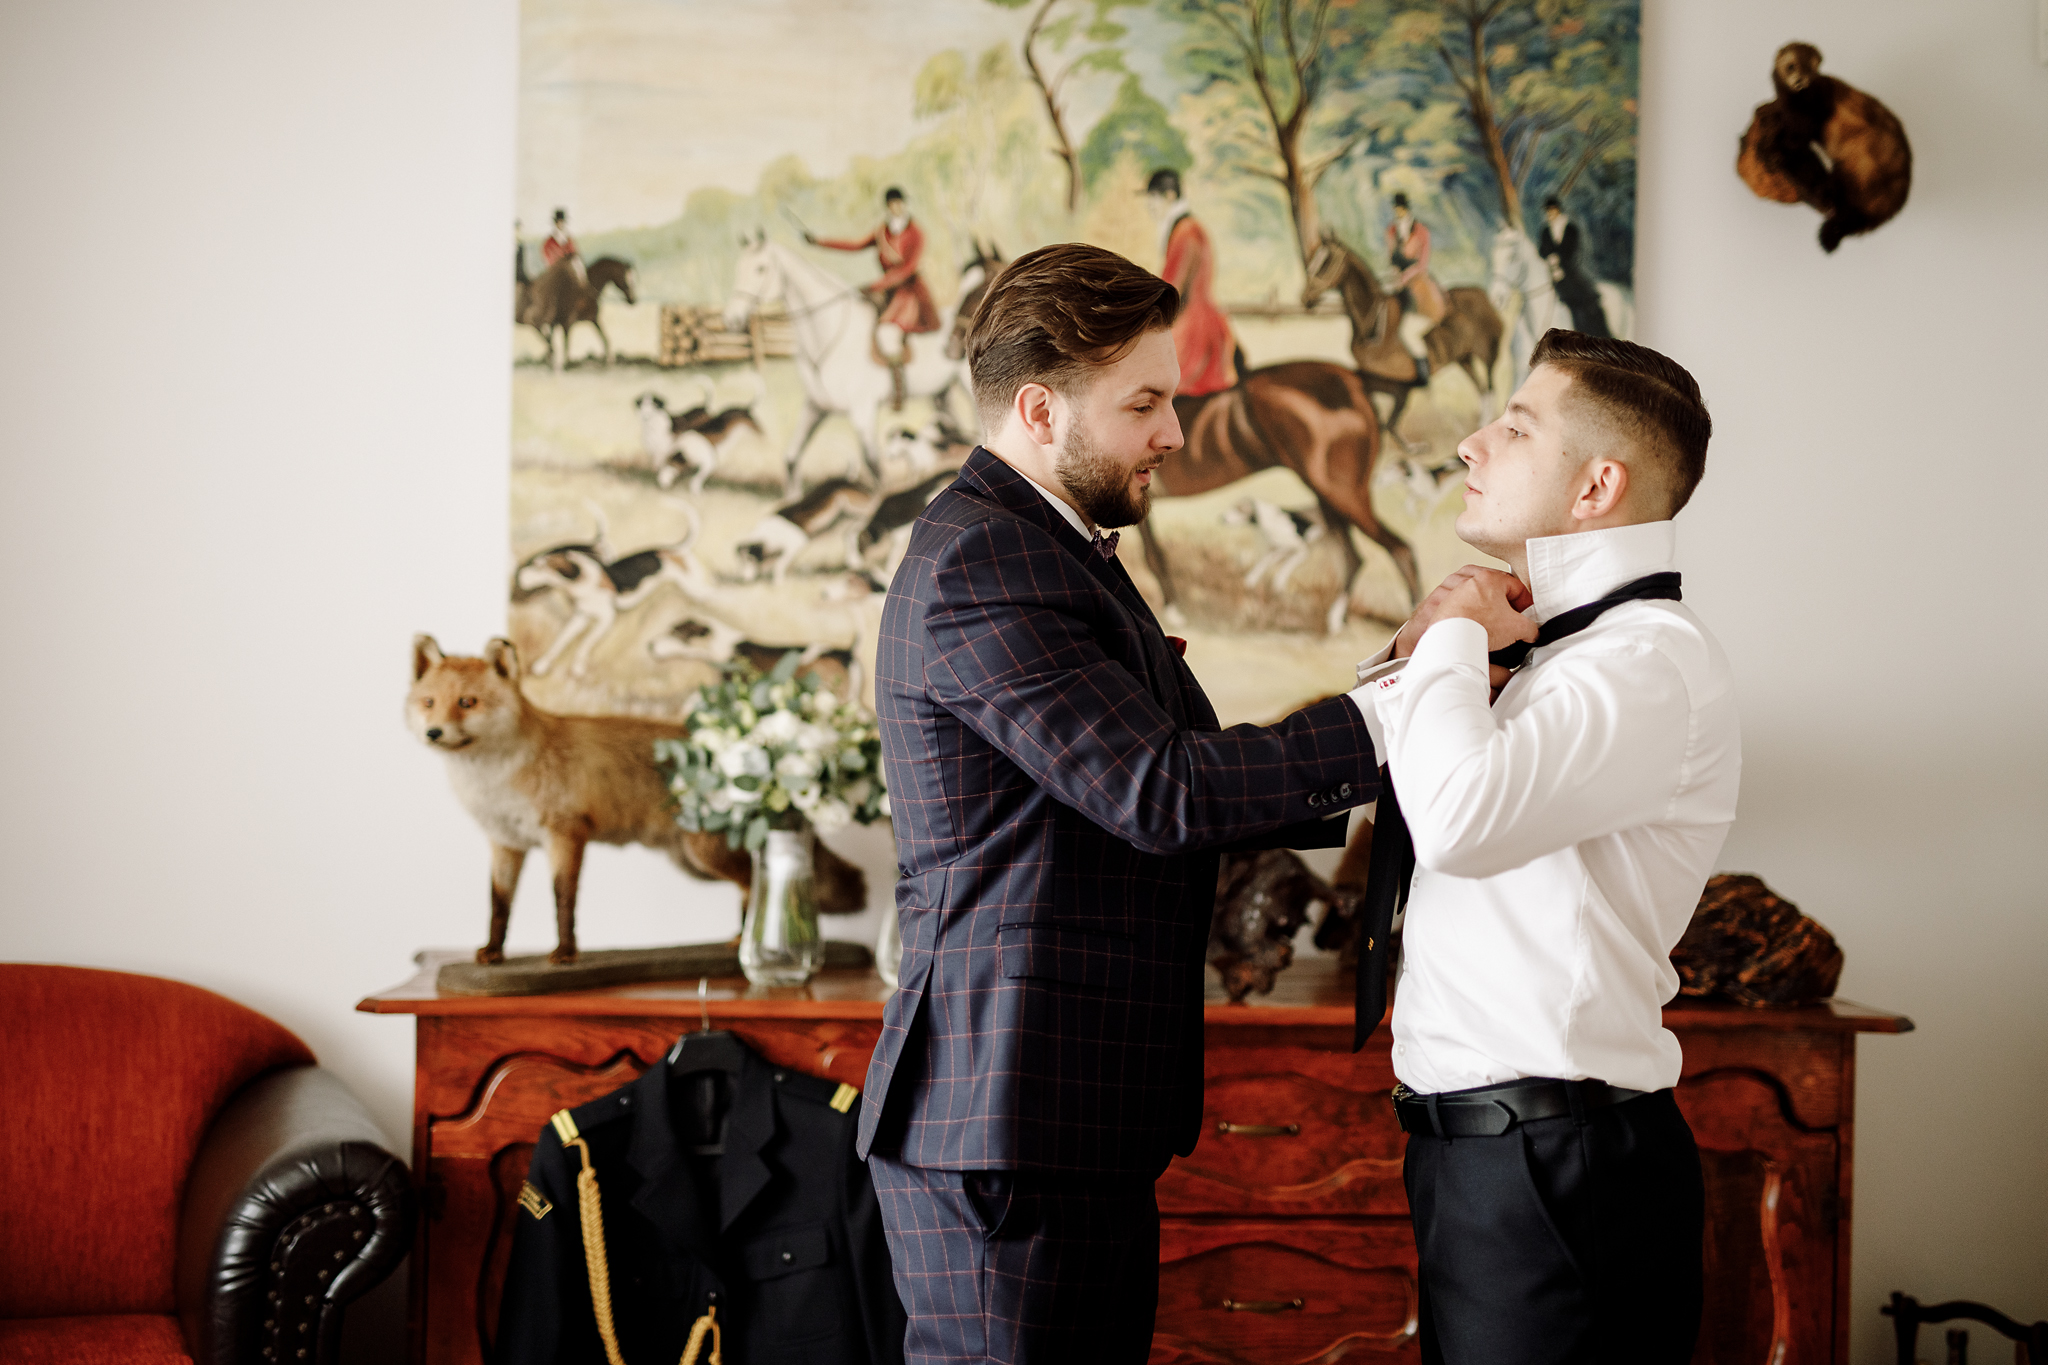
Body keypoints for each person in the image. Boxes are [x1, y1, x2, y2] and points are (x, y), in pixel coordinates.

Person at [858, 242, 1381, 1363]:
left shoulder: (1051, 548)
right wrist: (1393, 719)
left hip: (1057, 1115)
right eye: (1143, 404)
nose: (1174, 434)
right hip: (1004, 1117)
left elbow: (1179, 766)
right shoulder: (984, 560)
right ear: (1039, 410)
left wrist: (1397, 684)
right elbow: (1160, 791)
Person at [1347, 328, 1737, 1363]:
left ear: (1596, 486)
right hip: (1492, 1163)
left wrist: (1452, 637)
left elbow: (1459, 820)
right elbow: (1389, 773)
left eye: (1516, 428)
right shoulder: (1543, 650)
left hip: (1556, 1165)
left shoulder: (1643, 663)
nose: (1470, 443)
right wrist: (1440, 640)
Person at [808, 187, 940, 408]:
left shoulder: (916, 233)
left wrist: (875, 285)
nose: (896, 207)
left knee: (888, 331)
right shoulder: (882, 232)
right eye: (892, 203)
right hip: (887, 290)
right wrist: (819, 242)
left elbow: (907, 269)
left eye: (899, 203)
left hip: (909, 291)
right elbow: (856, 245)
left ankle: (899, 389)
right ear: (888, 206)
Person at [1145, 168, 1236, 397]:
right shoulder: (1188, 229)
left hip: (1193, 328)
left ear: (1169, 197)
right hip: (1201, 322)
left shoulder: (1185, 233)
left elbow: (1172, 288)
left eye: (1153, 198)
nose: (1149, 206)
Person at [1386, 191, 1448, 383]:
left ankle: (1423, 372)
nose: (1398, 213)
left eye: (1401, 209)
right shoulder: (1391, 231)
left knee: (1408, 332)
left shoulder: (1421, 231)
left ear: (1406, 209)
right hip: (1399, 281)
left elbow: (1422, 264)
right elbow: (1392, 258)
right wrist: (1395, 275)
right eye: (1396, 210)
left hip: (1419, 282)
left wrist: (1406, 276)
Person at [1538, 197, 1613, 338]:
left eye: (1552, 211)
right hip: (1551, 271)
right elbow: (1542, 250)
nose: (1549, 214)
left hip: (1570, 270)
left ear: (1557, 210)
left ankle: (1589, 331)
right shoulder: (1546, 230)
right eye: (1547, 212)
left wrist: (1559, 261)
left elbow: (1571, 251)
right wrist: (1550, 258)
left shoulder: (1570, 229)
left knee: (1582, 297)